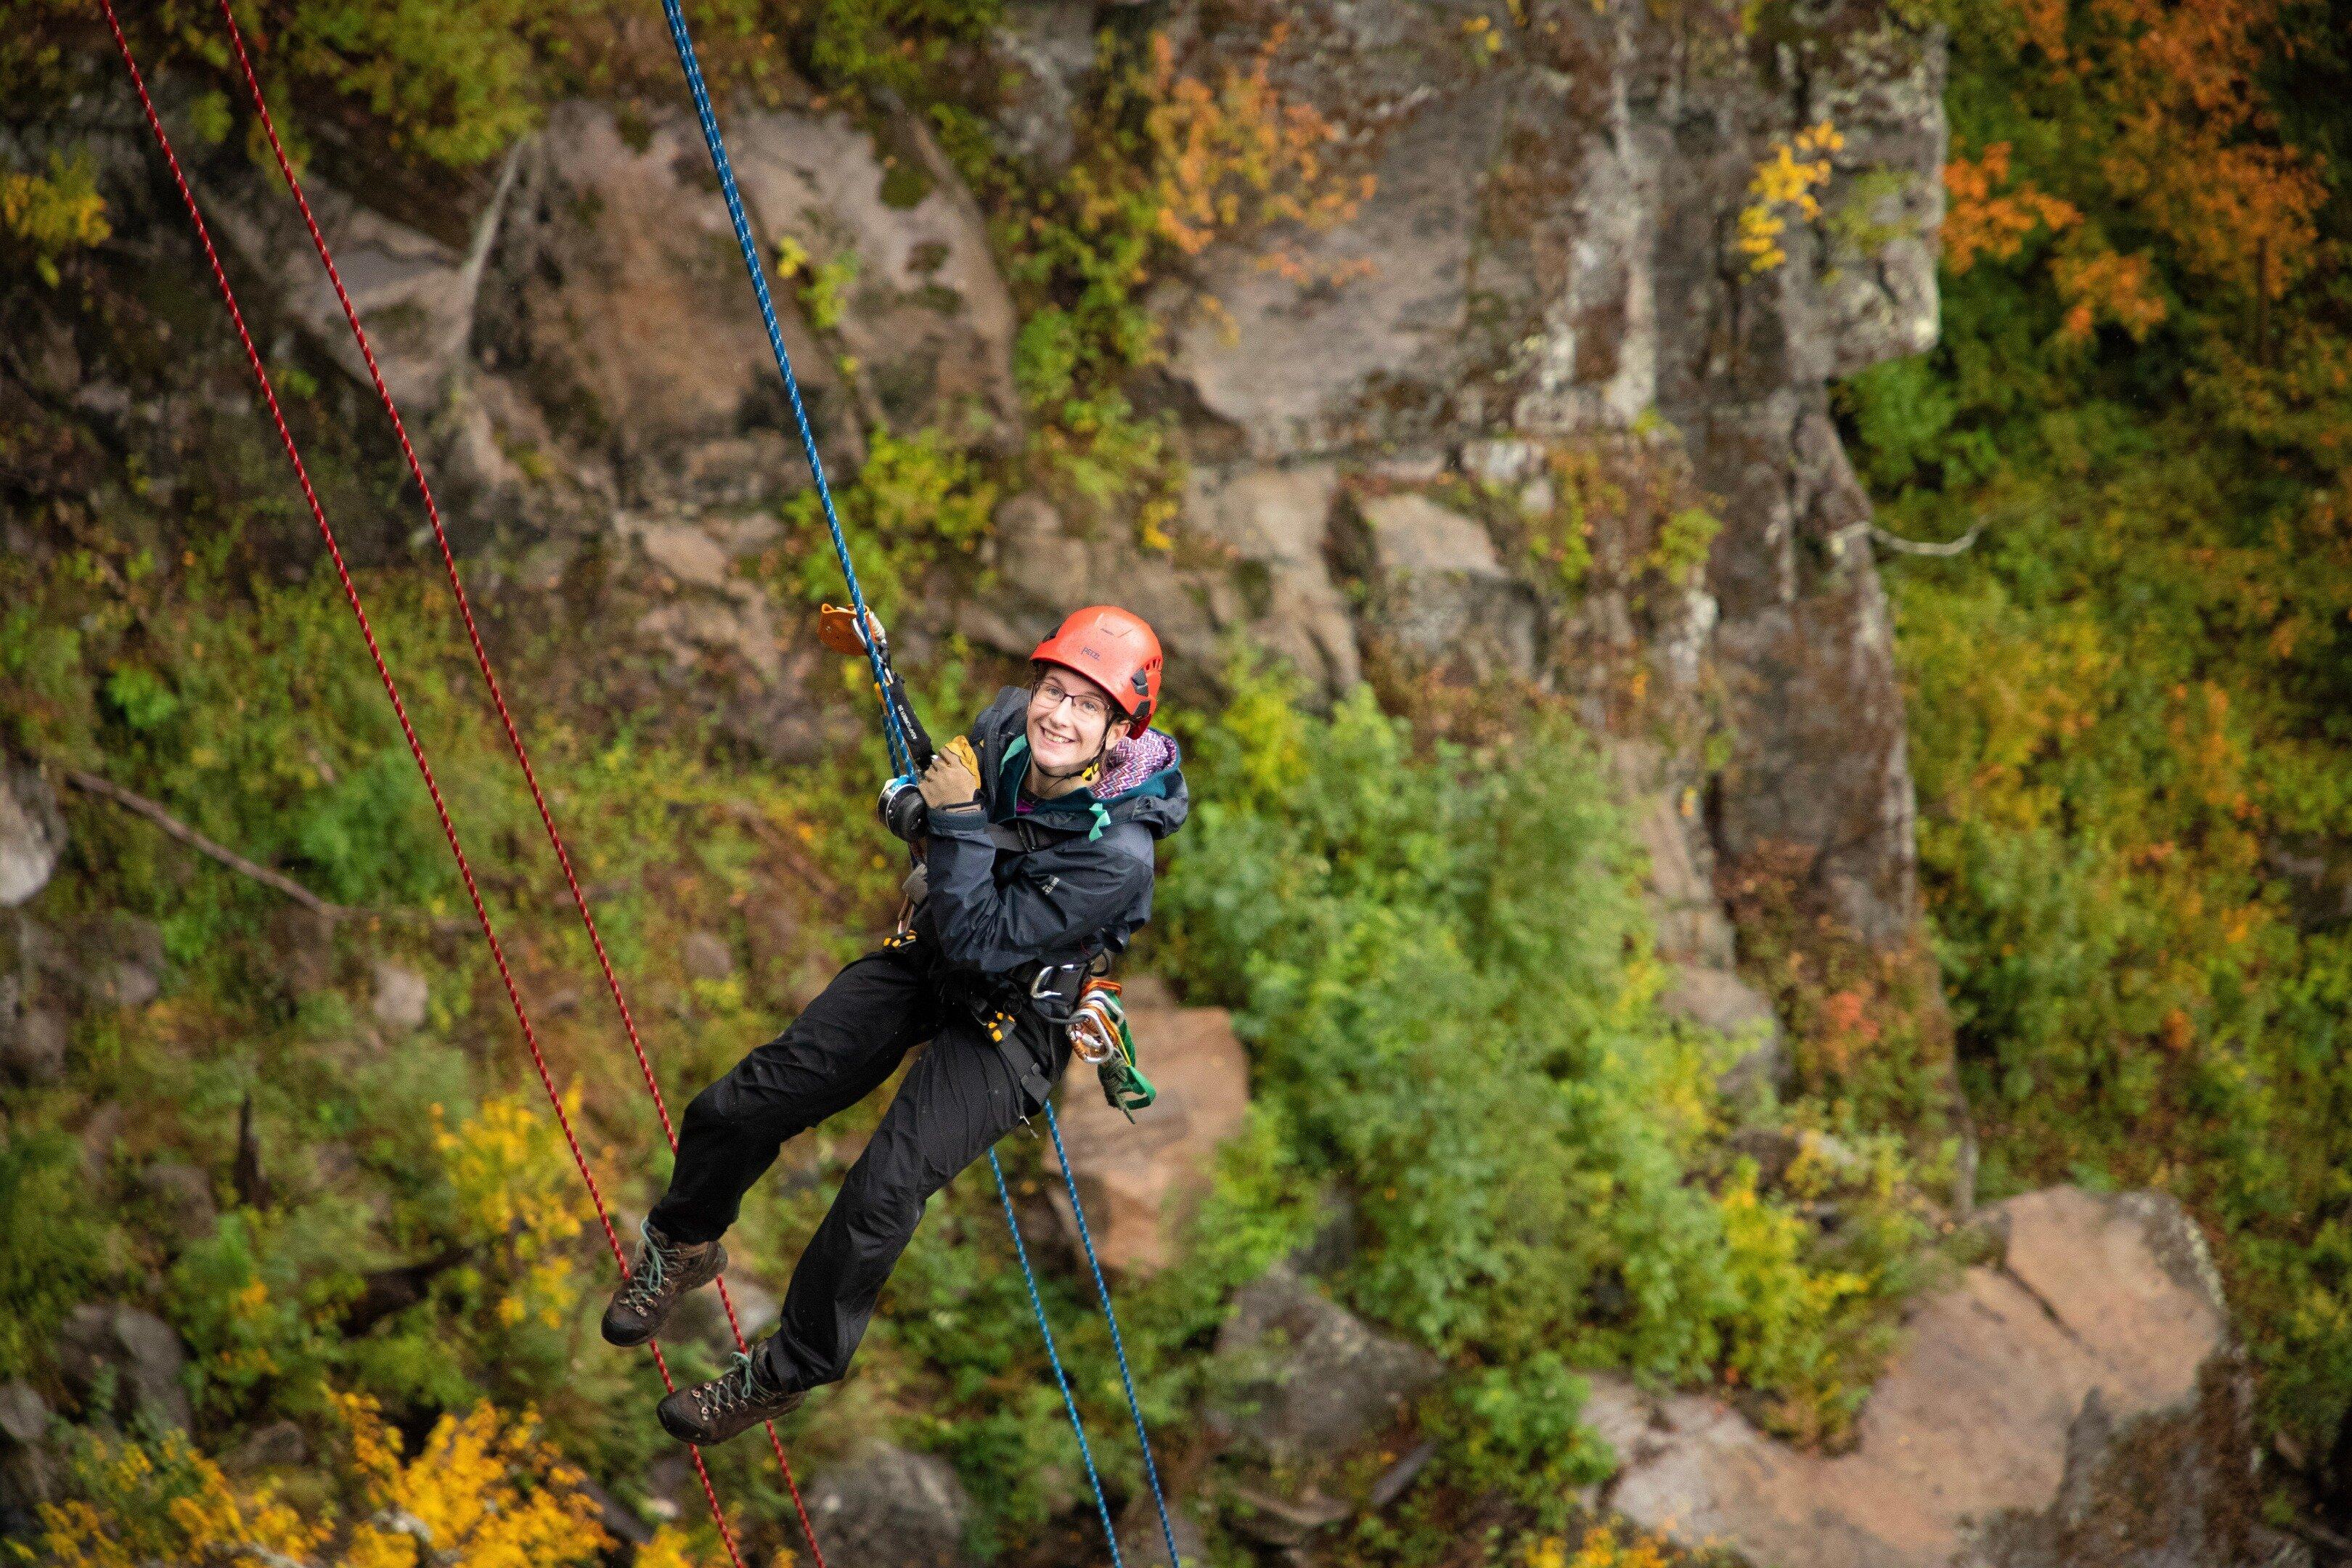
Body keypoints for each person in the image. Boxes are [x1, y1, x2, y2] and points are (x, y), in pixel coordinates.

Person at [604, 605, 1187, 1447]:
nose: (1059, 715)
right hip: (936, 953)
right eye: (1053, 690)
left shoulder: (1118, 852)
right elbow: (935, 786)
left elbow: (988, 936)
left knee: (883, 1192)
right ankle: (683, 1243)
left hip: (1013, 1021)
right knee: (748, 1100)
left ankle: (783, 1372)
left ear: (1119, 729)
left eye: (1088, 705)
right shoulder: (1003, 729)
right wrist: (891, 695)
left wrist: (946, 822)